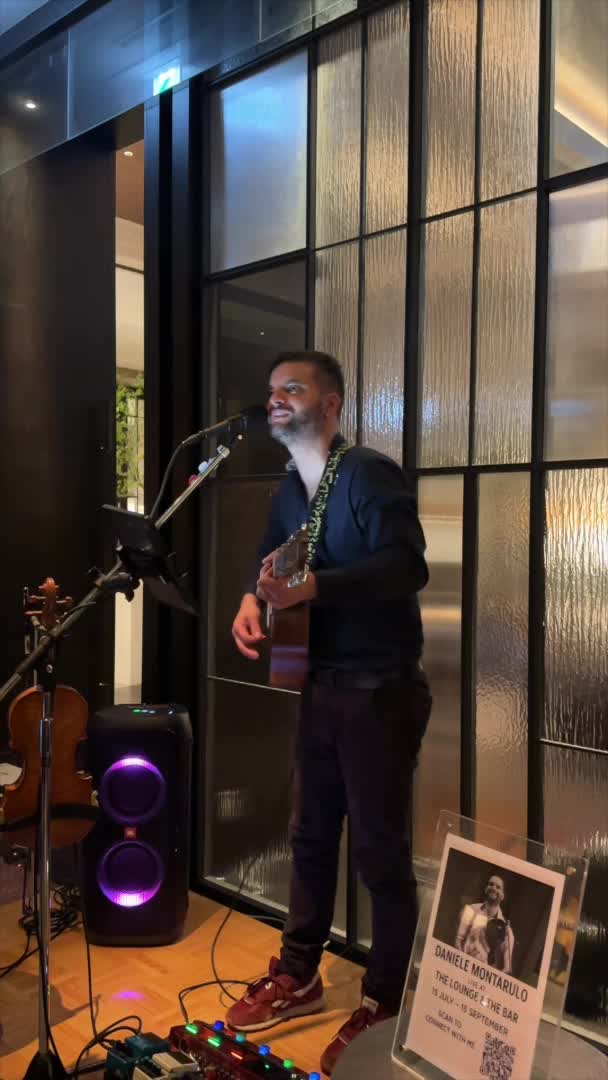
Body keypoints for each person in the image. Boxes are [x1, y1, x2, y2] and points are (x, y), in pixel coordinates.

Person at [227, 350, 432, 1075]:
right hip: (318, 682)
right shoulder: (292, 487)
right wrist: (250, 600)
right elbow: (269, 556)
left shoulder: (367, 474)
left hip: (378, 689)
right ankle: (299, 973)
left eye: (294, 388)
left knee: (379, 849)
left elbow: (408, 566)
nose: (276, 399)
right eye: (272, 391)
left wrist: (317, 587)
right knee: (309, 835)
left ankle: (385, 998)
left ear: (333, 404)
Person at [455, 874, 515, 973]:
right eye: (491, 884)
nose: (493, 888)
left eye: (498, 887)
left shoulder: (507, 931)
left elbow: (507, 968)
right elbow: (458, 942)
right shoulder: (470, 910)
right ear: (486, 888)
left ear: (503, 895)